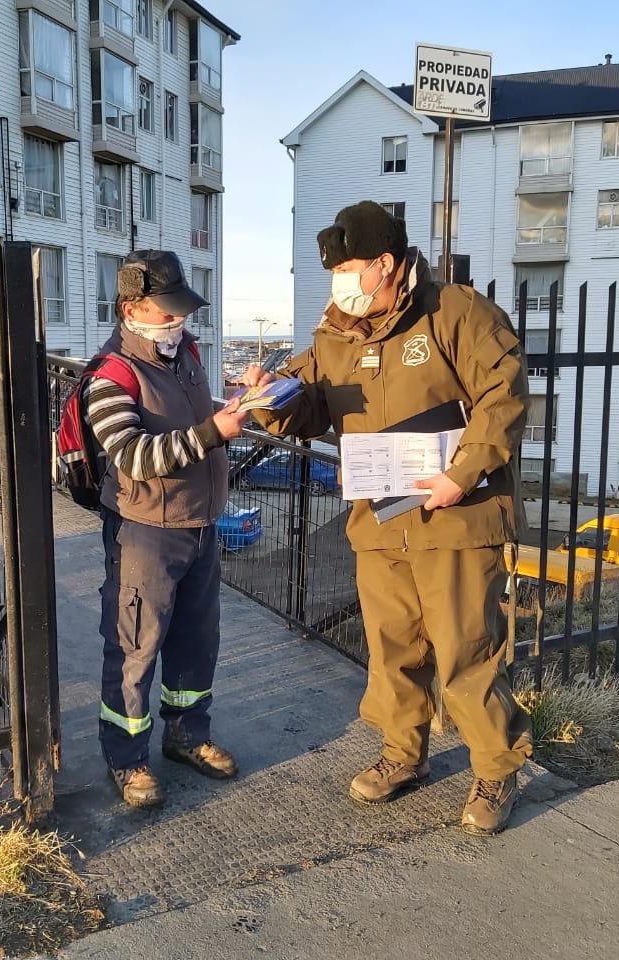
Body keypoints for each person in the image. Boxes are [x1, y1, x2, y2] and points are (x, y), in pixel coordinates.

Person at [238, 201, 533, 835]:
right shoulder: (335, 334)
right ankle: (403, 754)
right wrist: (267, 399)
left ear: (387, 264)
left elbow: (503, 393)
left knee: (466, 649)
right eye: (335, 272)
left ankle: (495, 767)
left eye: (350, 269)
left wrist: (463, 473)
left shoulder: (455, 312)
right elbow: (308, 408)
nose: (341, 283)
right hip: (379, 520)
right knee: (392, 647)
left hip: (454, 517)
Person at [86, 249, 249, 809]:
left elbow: (195, 416)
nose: (179, 322)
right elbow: (132, 455)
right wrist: (212, 433)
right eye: (167, 312)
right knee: (135, 646)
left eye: (182, 312)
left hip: (201, 522)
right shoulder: (110, 375)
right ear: (132, 308)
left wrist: (243, 399)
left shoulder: (186, 356)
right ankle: (127, 758)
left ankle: (188, 735)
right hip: (145, 531)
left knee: (196, 641)